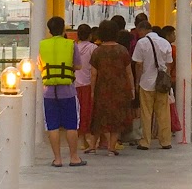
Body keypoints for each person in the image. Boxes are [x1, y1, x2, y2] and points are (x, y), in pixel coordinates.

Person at [39, 15, 85, 168]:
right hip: (68, 91)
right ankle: (74, 157)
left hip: (49, 92)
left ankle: (57, 159)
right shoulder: (71, 44)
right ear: (63, 28)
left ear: (49, 30)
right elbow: (78, 66)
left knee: (52, 126)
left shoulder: (43, 45)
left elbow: (40, 67)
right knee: (71, 125)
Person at [89, 19, 136, 154]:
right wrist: (132, 88)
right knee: (116, 118)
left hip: (102, 88)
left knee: (98, 117)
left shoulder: (97, 52)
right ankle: (111, 147)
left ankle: (93, 146)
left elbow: (93, 74)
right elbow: (129, 72)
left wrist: (92, 91)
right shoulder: (122, 50)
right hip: (120, 89)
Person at [132, 19, 174, 149]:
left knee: (146, 113)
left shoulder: (141, 43)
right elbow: (169, 63)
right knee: (163, 113)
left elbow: (138, 64)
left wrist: (137, 81)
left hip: (146, 82)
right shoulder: (165, 42)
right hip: (162, 83)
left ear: (142, 30)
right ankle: (165, 141)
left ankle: (146, 141)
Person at [73, 23, 96, 152]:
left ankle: (80, 140)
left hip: (75, 84)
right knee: (88, 113)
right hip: (88, 84)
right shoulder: (93, 48)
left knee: (77, 113)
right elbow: (94, 70)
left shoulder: (73, 47)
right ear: (90, 35)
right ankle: (89, 140)